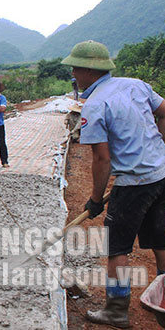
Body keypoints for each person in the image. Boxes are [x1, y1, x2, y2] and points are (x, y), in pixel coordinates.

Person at [62, 40, 165, 328]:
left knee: (117, 246)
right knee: (159, 235)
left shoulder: (94, 105)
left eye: (75, 68)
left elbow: (101, 159)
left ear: (88, 70)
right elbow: (164, 111)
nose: (73, 74)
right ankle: (164, 294)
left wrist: (95, 199)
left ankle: (117, 309)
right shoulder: (136, 85)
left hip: (133, 184)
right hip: (160, 175)